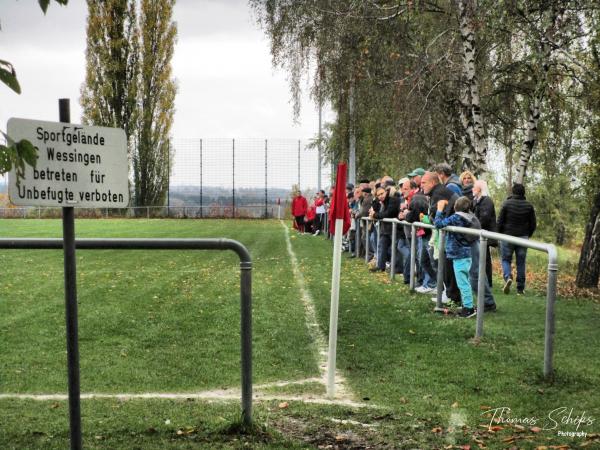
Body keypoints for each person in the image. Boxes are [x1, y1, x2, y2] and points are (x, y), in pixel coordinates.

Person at [434, 196, 478, 318]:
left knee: (462, 283)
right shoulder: (469, 216)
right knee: (465, 281)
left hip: (459, 255)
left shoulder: (457, 217)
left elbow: (438, 224)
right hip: (465, 253)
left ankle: (469, 308)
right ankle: (467, 304)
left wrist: (439, 209)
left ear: (455, 207)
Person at [422, 171, 460, 305]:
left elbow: (436, 218)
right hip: (449, 234)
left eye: (424, 183)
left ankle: (452, 296)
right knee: (444, 265)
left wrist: (431, 217)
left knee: (448, 266)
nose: (422, 186)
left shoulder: (439, 193)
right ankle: (449, 294)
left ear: (432, 183)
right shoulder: (437, 192)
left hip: (455, 235)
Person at [497, 183, 537, 295]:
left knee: (506, 259)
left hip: (507, 236)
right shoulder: (529, 206)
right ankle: (520, 289)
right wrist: (527, 234)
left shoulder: (506, 204)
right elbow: (533, 224)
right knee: (521, 262)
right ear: (523, 192)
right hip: (523, 237)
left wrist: (499, 234)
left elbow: (499, 221)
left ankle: (508, 277)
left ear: (513, 192)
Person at [369, 183, 400, 272]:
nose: (380, 196)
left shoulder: (393, 200)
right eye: (378, 195)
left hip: (395, 229)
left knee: (395, 248)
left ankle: (396, 268)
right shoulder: (382, 202)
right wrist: (374, 211)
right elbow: (375, 210)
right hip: (385, 229)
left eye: (382, 193)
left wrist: (375, 215)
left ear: (386, 192)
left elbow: (388, 214)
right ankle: (380, 266)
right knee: (381, 245)